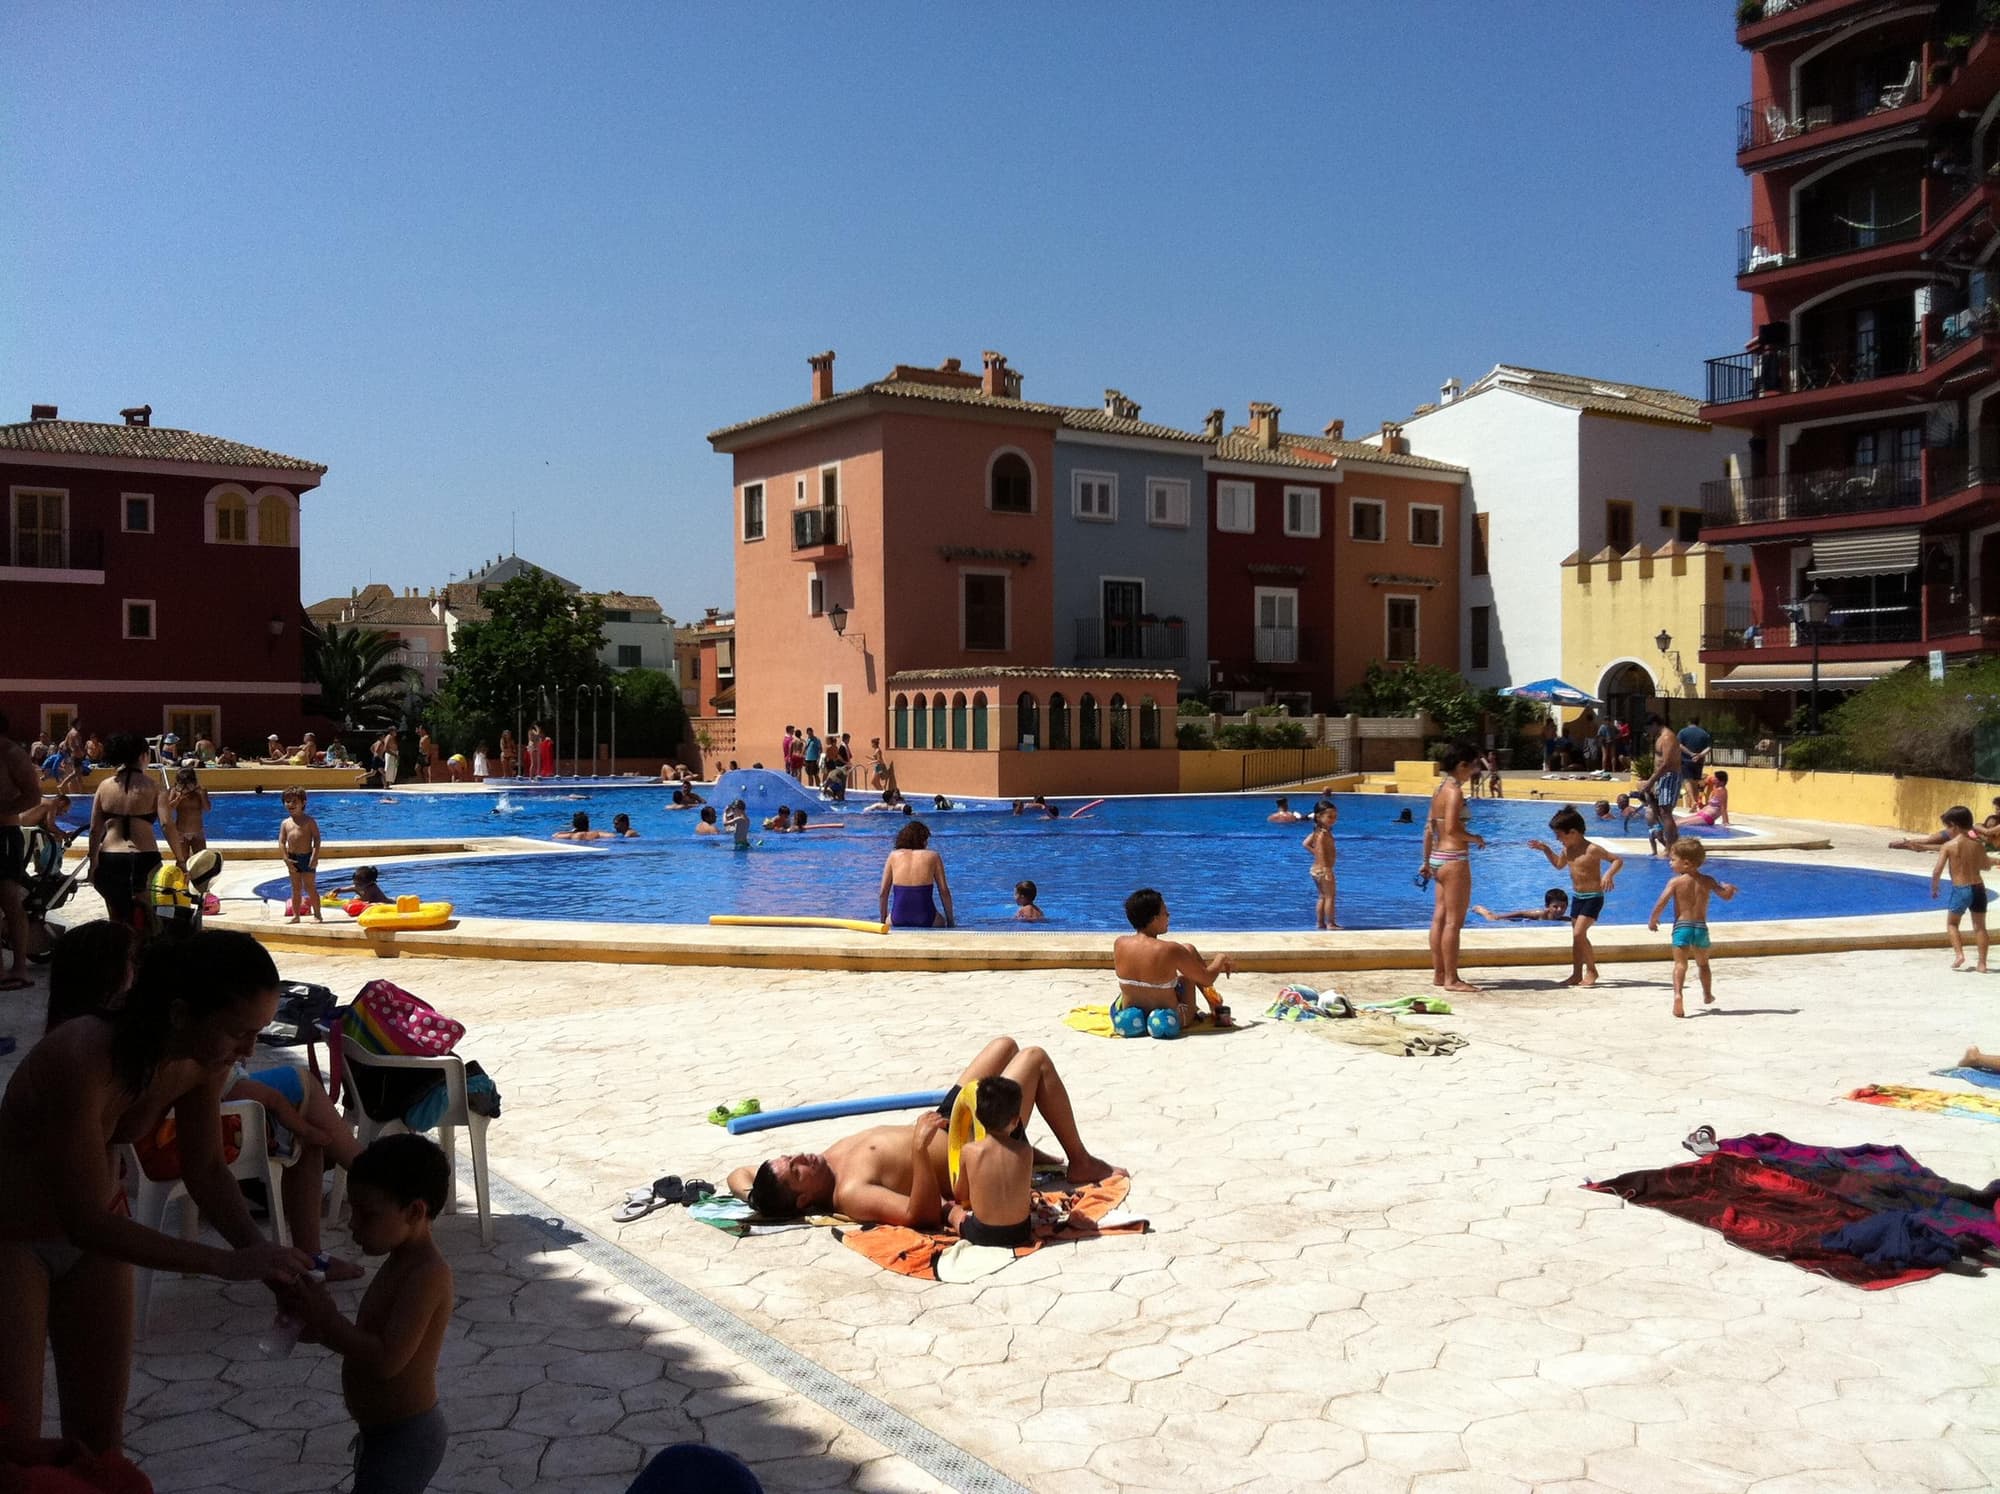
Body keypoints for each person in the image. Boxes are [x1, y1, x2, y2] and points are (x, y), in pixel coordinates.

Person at [0, 931, 316, 1458]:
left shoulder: (202, 1061)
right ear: (178, 1013)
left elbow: (207, 1169)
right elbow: (82, 1220)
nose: (249, 1049)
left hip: (101, 1229)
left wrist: (265, 1264)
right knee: (17, 1448)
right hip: (14, 1236)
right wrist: (223, 1263)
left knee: (99, 1442)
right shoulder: (81, 1056)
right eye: (239, 1032)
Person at [728, 1036, 1117, 1226]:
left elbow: (738, 1174)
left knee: (1004, 1046)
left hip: (947, 1119)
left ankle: (1036, 1150)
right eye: (796, 1171)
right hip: (970, 1147)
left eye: (789, 1157)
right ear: (803, 1201)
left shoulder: (823, 1164)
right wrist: (918, 1151)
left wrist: (754, 1200)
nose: (800, 1157)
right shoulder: (850, 1191)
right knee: (1034, 1058)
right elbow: (919, 1214)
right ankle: (1080, 1162)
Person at [279, 1133, 454, 1494]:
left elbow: (387, 1360)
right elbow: (366, 1341)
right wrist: (319, 1330)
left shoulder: (428, 1275)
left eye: (367, 1213)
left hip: (408, 1436)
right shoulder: (398, 1261)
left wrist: (329, 1320)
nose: (353, 1224)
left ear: (415, 1212)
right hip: (380, 1433)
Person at [90, 733, 185, 938]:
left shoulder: (104, 787)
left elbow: (95, 830)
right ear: (143, 756)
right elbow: (167, 824)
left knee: (116, 918)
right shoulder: (154, 787)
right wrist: (180, 859)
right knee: (150, 918)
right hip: (145, 857)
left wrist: (93, 862)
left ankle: (120, 961)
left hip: (111, 857)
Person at [1528, 806, 1624, 988]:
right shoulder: (1567, 850)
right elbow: (1558, 865)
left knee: (1579, 933)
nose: (1557, 839)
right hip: (1578, 897)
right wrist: (1546, 849)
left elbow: (1617, 860)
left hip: (1593, 897)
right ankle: (1576, 974)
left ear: (1572, 832)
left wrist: (1609, 875)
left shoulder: (1592, 849)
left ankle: (1592, 971)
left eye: (1559, 835)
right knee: (1576, 937)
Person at [1114, 887, 1237, 1027]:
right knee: (1188, 960)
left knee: (1178, 965)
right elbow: (1208, 978)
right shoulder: (1169, 949)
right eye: (1164, 912)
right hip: (1171, 1018)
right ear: (1154, 919)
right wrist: (1221, 958)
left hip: (1134, 1015)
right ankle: (1215, 1003)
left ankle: (1214, 1002)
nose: (1168, 914)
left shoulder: (1119, 943)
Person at [1421, 743, 1486, 993]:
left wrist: (1426, 862)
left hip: (1438, 857)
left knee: (1439, 918)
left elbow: (1429, 829)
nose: (1474, 771)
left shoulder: (1439, 790)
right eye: (1473, 766)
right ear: (1462, 765)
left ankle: (1439, 974)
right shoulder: (1454, 792)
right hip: (1454, 858)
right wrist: (1476, 838)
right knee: (1453, 923)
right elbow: (1452, 829)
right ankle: (1452, 978)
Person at [1648, 838, 1738, 1018]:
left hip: (1682, 927)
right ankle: (1707, 994)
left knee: (1680, 965)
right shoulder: (1708, 880)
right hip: (1700, 928)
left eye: (1673, 860)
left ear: (1686, 863)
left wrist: (1653, 920)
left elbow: (1661, 902)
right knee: (1703, 964)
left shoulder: (1675, 882)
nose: (1670, 863)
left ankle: (1678, 994)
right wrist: (1729, 889)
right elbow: (1725, 896)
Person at [948, 1076, 1033, 1247]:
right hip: (1022, 1232)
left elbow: (961, 1196)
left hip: (983, 1234)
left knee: (951, 1211)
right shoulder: (1026, 1151)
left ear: (977, 1116)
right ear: (1015, 1121)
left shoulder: (970, 1152)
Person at [0, 710, 42, 993]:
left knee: (8, 900)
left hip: (2, 834)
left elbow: (32, 794)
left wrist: (3, 811)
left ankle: (19, 968)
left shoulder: (11, 753)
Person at [1931, 805, 1993, 973]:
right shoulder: (1978, 844)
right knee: (1980, 927)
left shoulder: (1949, 845)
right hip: (1979, 888)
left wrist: (1935, 888)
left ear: (1954, 825)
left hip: (1961, 889)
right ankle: (1982, 964)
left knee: (1952, 924)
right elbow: (1986, 866)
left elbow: (1937, 870)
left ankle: (1959, 955)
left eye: (1947, 827)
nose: (1946, 831)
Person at [880, 820, 953, 928]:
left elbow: (883, 893)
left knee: (888, 919)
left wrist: (883, 921)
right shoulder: (933, 856)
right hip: (927, 918)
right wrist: (950, 922)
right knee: (941, 921)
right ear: (922, 840)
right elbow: (944, 891)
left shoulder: (893, 856)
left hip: (897, 918)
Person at [278, 787, 324, 923]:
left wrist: (314, 857)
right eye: (287, 802)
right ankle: (296, 915)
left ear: (303, 803)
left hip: (307, 857)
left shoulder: (309, 821)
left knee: (310, 887)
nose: (290, 805)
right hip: (293, 858)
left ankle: (317, 914)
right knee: (295, 888)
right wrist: (285, 857)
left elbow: (317, 839)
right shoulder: (285, 823)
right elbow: (281, 841)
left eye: (294, 801)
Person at [1642, 714, 1684, 851]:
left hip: (1669, 776)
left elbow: (1667, 763)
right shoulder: (1661, 737)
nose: (1648, 732)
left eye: (1648, 728)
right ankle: (1673, 844)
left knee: (1666, 812)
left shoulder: (1667, 737)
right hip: (1663, 778)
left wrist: (1650, 781)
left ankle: (1671, 847)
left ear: (1654, 724)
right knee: (1662, 811)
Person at [1303, 802, 1338, 930]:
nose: (1333, 819)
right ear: (1319, 817)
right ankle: (1330, 923)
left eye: (1335, 816)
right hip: (1324, 870)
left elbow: (1305, 844)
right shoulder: (1323, 834)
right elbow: (1322, 851)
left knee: (1322, 896)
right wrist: (1327, 869)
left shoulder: (1317, 832)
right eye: (1329, 817)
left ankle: (1320, 923)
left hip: (1316, 869)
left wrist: (1316, 855)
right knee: (1330, 896)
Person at [165, 766, 212, 855]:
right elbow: (168, 810)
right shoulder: (175, 791)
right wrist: (178, 799)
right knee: (182, 861)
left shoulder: (200, 791)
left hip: (197, 832)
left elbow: (207, 809)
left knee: (200, 861)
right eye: (183, 784)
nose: (186, 787)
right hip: (181, 832)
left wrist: (202, 795)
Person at [1474, 889, 1571, 923]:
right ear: (1547, 906)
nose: (1559, 910)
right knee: (1492, 918)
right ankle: (1481, 910)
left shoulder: (1564, 919)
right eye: (1555, 906)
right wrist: (1499, 917)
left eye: (1563, 906)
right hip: (1520, 919)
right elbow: (1522, 913)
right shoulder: (1538, 915)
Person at [1676, 717, 1712, 802]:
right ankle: (1696, 801)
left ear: (1689, 722)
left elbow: (1679, 745)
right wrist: (1700, 755)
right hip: (1699, 761)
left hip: (1686, 761)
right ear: (1698, 723)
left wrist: (1690, 753)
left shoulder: (1682, 732)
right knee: (1696, 782)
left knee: (1687, 781)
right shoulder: (1704, 733)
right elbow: (1709, 747)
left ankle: (1693, 801)